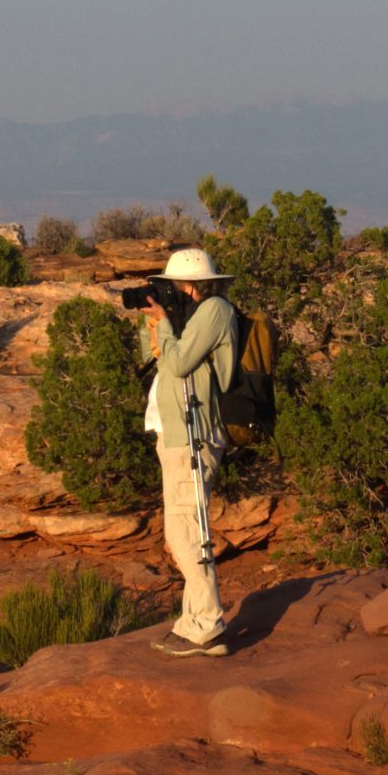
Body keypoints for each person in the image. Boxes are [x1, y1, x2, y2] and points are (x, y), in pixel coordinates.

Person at [138, 247, 238, 658]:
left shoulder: (214, 309)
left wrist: (166, 327)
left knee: (186, 533)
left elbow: (179, 366)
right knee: (181, 530)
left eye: (172, 286)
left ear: (191, 285)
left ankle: (208, 623)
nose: (167, 293)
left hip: (194, 436)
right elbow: (155, 363)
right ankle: (192, 621)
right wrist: (155, 327)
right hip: (175, 435)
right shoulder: (186, 319)